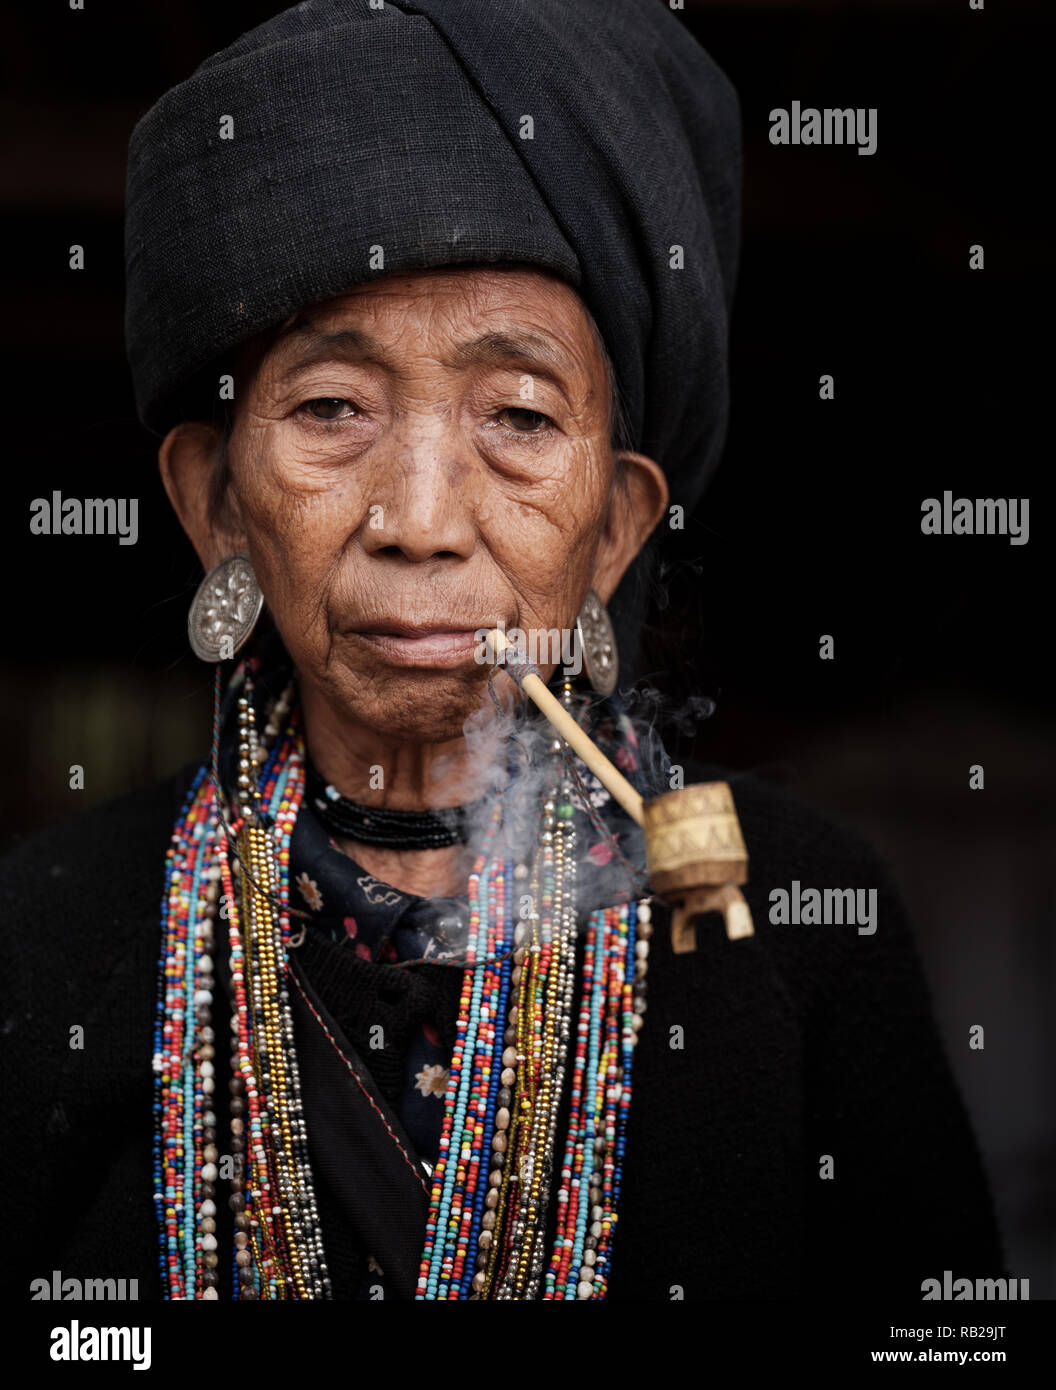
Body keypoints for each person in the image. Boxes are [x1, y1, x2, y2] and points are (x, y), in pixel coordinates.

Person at [2, 0, 1001, 1301]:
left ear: (614, 528)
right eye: (331, 407)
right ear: (219, 506)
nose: (421, 521)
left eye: (519, 415)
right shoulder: (48, 933)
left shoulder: (793, 925)